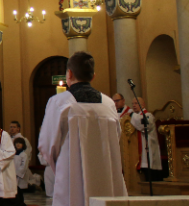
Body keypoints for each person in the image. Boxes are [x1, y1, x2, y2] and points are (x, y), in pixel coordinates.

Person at [38, 52, 126, 206]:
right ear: (93, 76)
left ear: (69, 74)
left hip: (71, 177)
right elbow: (116, 136)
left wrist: (62, 165)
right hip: (106, 175)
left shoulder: (59, 102)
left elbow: (47, 145)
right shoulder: (109, 104)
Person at [131, 97, 162, 181]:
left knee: (149, 169)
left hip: (149, 147)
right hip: (138, 149)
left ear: (143, 105)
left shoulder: (148, 115)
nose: (134, 105)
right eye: (133, 103)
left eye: (136, 103)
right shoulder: (135, 116)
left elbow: (144, 126)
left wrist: (132, 115)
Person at [13, 138, 29, 206]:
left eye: (20, 143)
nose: (18, 144)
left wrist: (17, 173)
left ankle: (21, 203)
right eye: (17, 143)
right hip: (13, 175)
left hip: (20, 175)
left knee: (20, 191)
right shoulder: (13, 154)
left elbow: (24, 166)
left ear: (23, 145)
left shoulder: (24, 155)